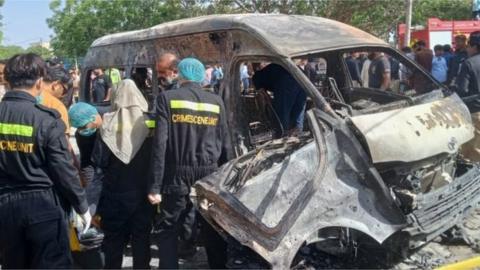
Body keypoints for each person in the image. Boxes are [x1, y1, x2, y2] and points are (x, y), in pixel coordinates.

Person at [0, 53, 90, 268]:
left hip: (4, 206)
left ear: (7, 80)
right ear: (40, 81)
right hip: (42, 206)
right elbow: (64, 169)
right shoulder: (46, 119)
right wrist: (82, 206)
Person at [149, 58, 232, 269]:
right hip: (209, 174)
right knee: (212, 227)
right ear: (202, 75)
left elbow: (160, 145)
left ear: (180, 75)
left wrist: (155, 186)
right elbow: (225, 143)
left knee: (168, 228)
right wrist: (229, 180)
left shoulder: (166, 98)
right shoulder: (216, 102)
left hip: (177, 172)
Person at [92, 79, 154, 269]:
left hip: (114, 194)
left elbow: (99, 163)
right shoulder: (151, 122)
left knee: (113, 242)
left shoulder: (106, 123)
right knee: (142, 239)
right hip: (143, 194)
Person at [454, 31, 480, 162]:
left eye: (468, 46)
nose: (467, 49)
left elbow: (462, 89)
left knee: (472, 152)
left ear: (474, 46)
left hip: (474, 111)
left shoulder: (468, 63)